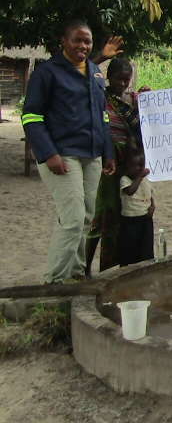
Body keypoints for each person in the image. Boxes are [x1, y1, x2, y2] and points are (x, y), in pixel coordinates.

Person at [22, 19, 115, 284]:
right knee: (72, 218)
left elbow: (102, 116)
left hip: (92, 155)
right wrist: (48, 153)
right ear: (63, 41)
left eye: (87, 41)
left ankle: (75, 276)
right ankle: (54, 282)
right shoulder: (48, 72)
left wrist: (107, 152)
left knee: (86, 217)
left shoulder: (95, 73)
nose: (83, 45)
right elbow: (31, 116)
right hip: (62, 155)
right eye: (77, 40)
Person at [84, 58, 148, 278]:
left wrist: (148, 99)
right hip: (109, 164)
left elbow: (150, 124)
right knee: (102, 214)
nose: (122, 83)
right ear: (108, 77)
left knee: (131, 213)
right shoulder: (100, 98)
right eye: (118, 78)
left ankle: (127, 265)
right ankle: (85, 268)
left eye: (126, 79)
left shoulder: (136, 99)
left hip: (133, 164)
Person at [118, 148, 155, 266]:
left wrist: (152, 206)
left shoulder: (146, 180)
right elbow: (130, 191)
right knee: (130, 250)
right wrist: (140, 177)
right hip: (131, 220)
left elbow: (150, 194)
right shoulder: (125, 180)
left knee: (145, 248)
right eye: (134, 166)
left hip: (145, 218)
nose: (138, 169)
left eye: (141, 165)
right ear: (127, 166)